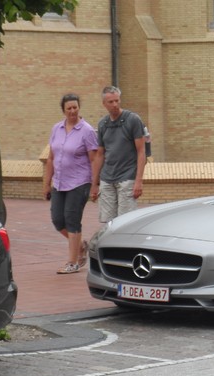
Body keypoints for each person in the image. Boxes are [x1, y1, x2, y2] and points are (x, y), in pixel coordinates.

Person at [43, 93, 98, 274]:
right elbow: (51, 158)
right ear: (64, 110)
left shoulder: (87, 131)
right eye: (69, 108)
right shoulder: (56, 129)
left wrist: (94, 184)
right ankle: (81, 245)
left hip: (79, 182)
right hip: (59, 182)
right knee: (58, 220)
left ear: (79, 108)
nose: (73, 111)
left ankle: (72, 263)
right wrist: (46, 183)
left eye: (75, 107)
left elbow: (94, 159)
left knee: (72, 220)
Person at [90, 86, 146, 223]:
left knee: (125, 221)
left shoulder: (133, 120)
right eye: (111, 102)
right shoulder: (103, 124)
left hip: (127, 178)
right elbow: (100, 154)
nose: (115, 104)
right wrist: (94, 184)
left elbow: (141, 151)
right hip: (107, 179)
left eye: (117, 100)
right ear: (104, 104)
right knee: (107, 222)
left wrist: (138, 181)